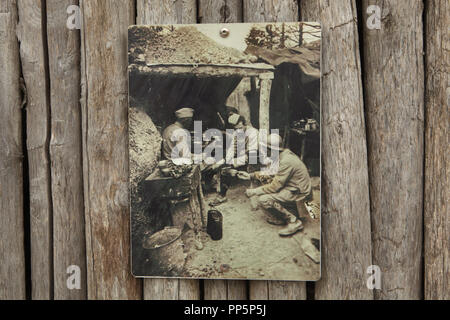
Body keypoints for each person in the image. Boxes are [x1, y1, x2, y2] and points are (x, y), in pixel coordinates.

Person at [239, 133, 311, 237]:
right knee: (266, 182)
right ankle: (283, 216)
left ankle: (294, 221)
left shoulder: (286, 161)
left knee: (264, 199)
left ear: (272, 150)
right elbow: (270, 172)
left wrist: (254, 191)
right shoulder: (282, 155)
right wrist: (250, 176)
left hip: (300, 193)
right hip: (294, 188)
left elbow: (274, 186)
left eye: (266, 149)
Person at [208, 113, 259, 206]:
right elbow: (232, 149)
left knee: (229, 167)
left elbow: (251, 155)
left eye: (240, 128)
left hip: (255, 158)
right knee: (225, 168)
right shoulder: (236, 133)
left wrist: (232, 163)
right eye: (236, 129)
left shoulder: (253, 133)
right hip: (243, 156)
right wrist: (226, 161)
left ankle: (254, 194)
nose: (238, 131)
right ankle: (222, 196)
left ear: (244, 124)